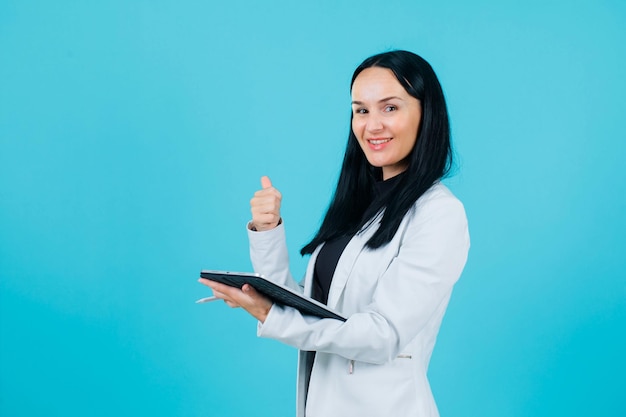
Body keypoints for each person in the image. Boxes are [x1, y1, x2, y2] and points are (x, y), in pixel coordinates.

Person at [200, 50, 470, 417]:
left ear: (427, 114)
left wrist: (271, 316)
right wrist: (268, 233)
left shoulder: (439, 214)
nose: (372, 125)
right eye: (361, 110)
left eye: (390, 108)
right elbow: (310, 309)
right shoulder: (359, 206)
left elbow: (382, 335)